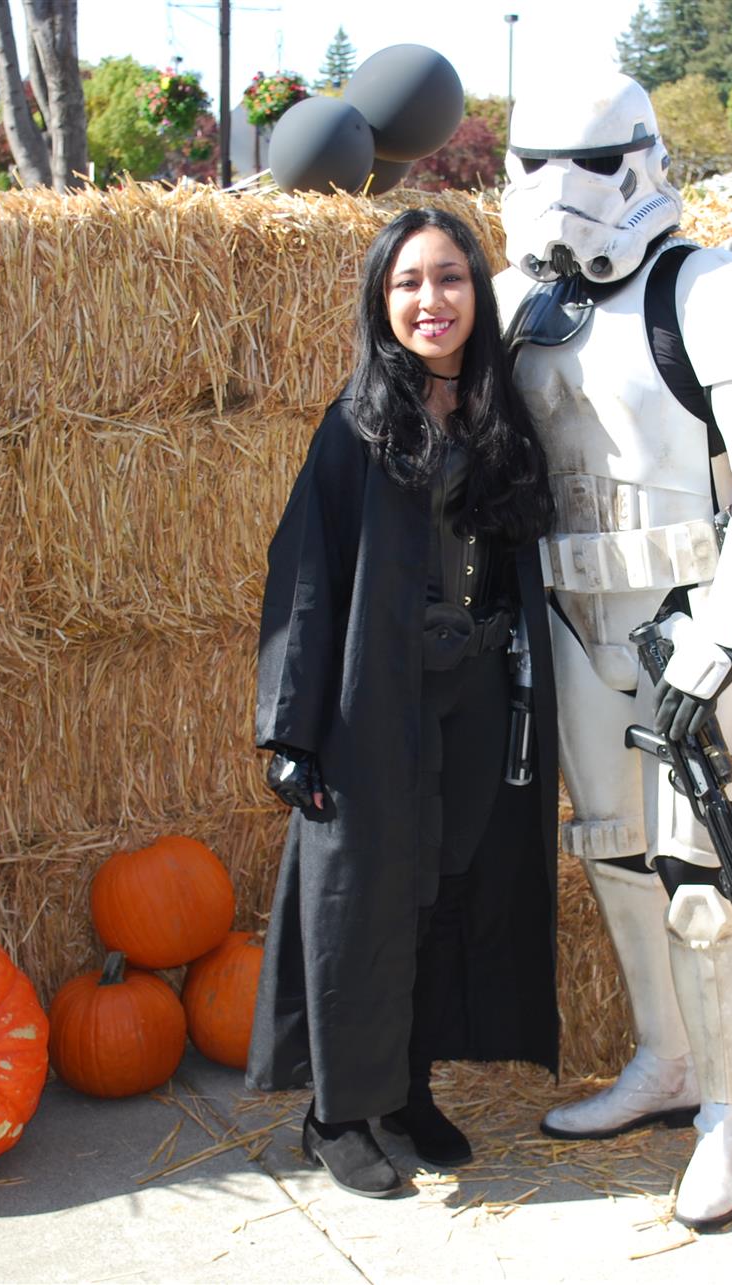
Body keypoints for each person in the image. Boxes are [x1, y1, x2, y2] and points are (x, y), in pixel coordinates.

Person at [494, 73, 732, 1230]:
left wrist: (722, 641)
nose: (550, 193)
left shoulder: (706, 284)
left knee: (704, 885)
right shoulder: (524, 297)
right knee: (614, 856)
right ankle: (664, 1061)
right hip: (570, 617)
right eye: (529, 165)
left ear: (640, 161)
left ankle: (731, 1110)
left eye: (576, 163)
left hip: (682, 611)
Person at [247, 208, 560, 1200]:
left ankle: (406, 1092)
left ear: (479, 292)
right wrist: (292, 730)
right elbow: (302, 574)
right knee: (361, 899)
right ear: (383, 304)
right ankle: (335, 1111)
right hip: (371, 702)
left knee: (442, 890)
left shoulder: (498, 419)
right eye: (410, 283)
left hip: (471, 697)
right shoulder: (354, 427)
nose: (434, 301)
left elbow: (518, 562)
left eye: (453, 278)